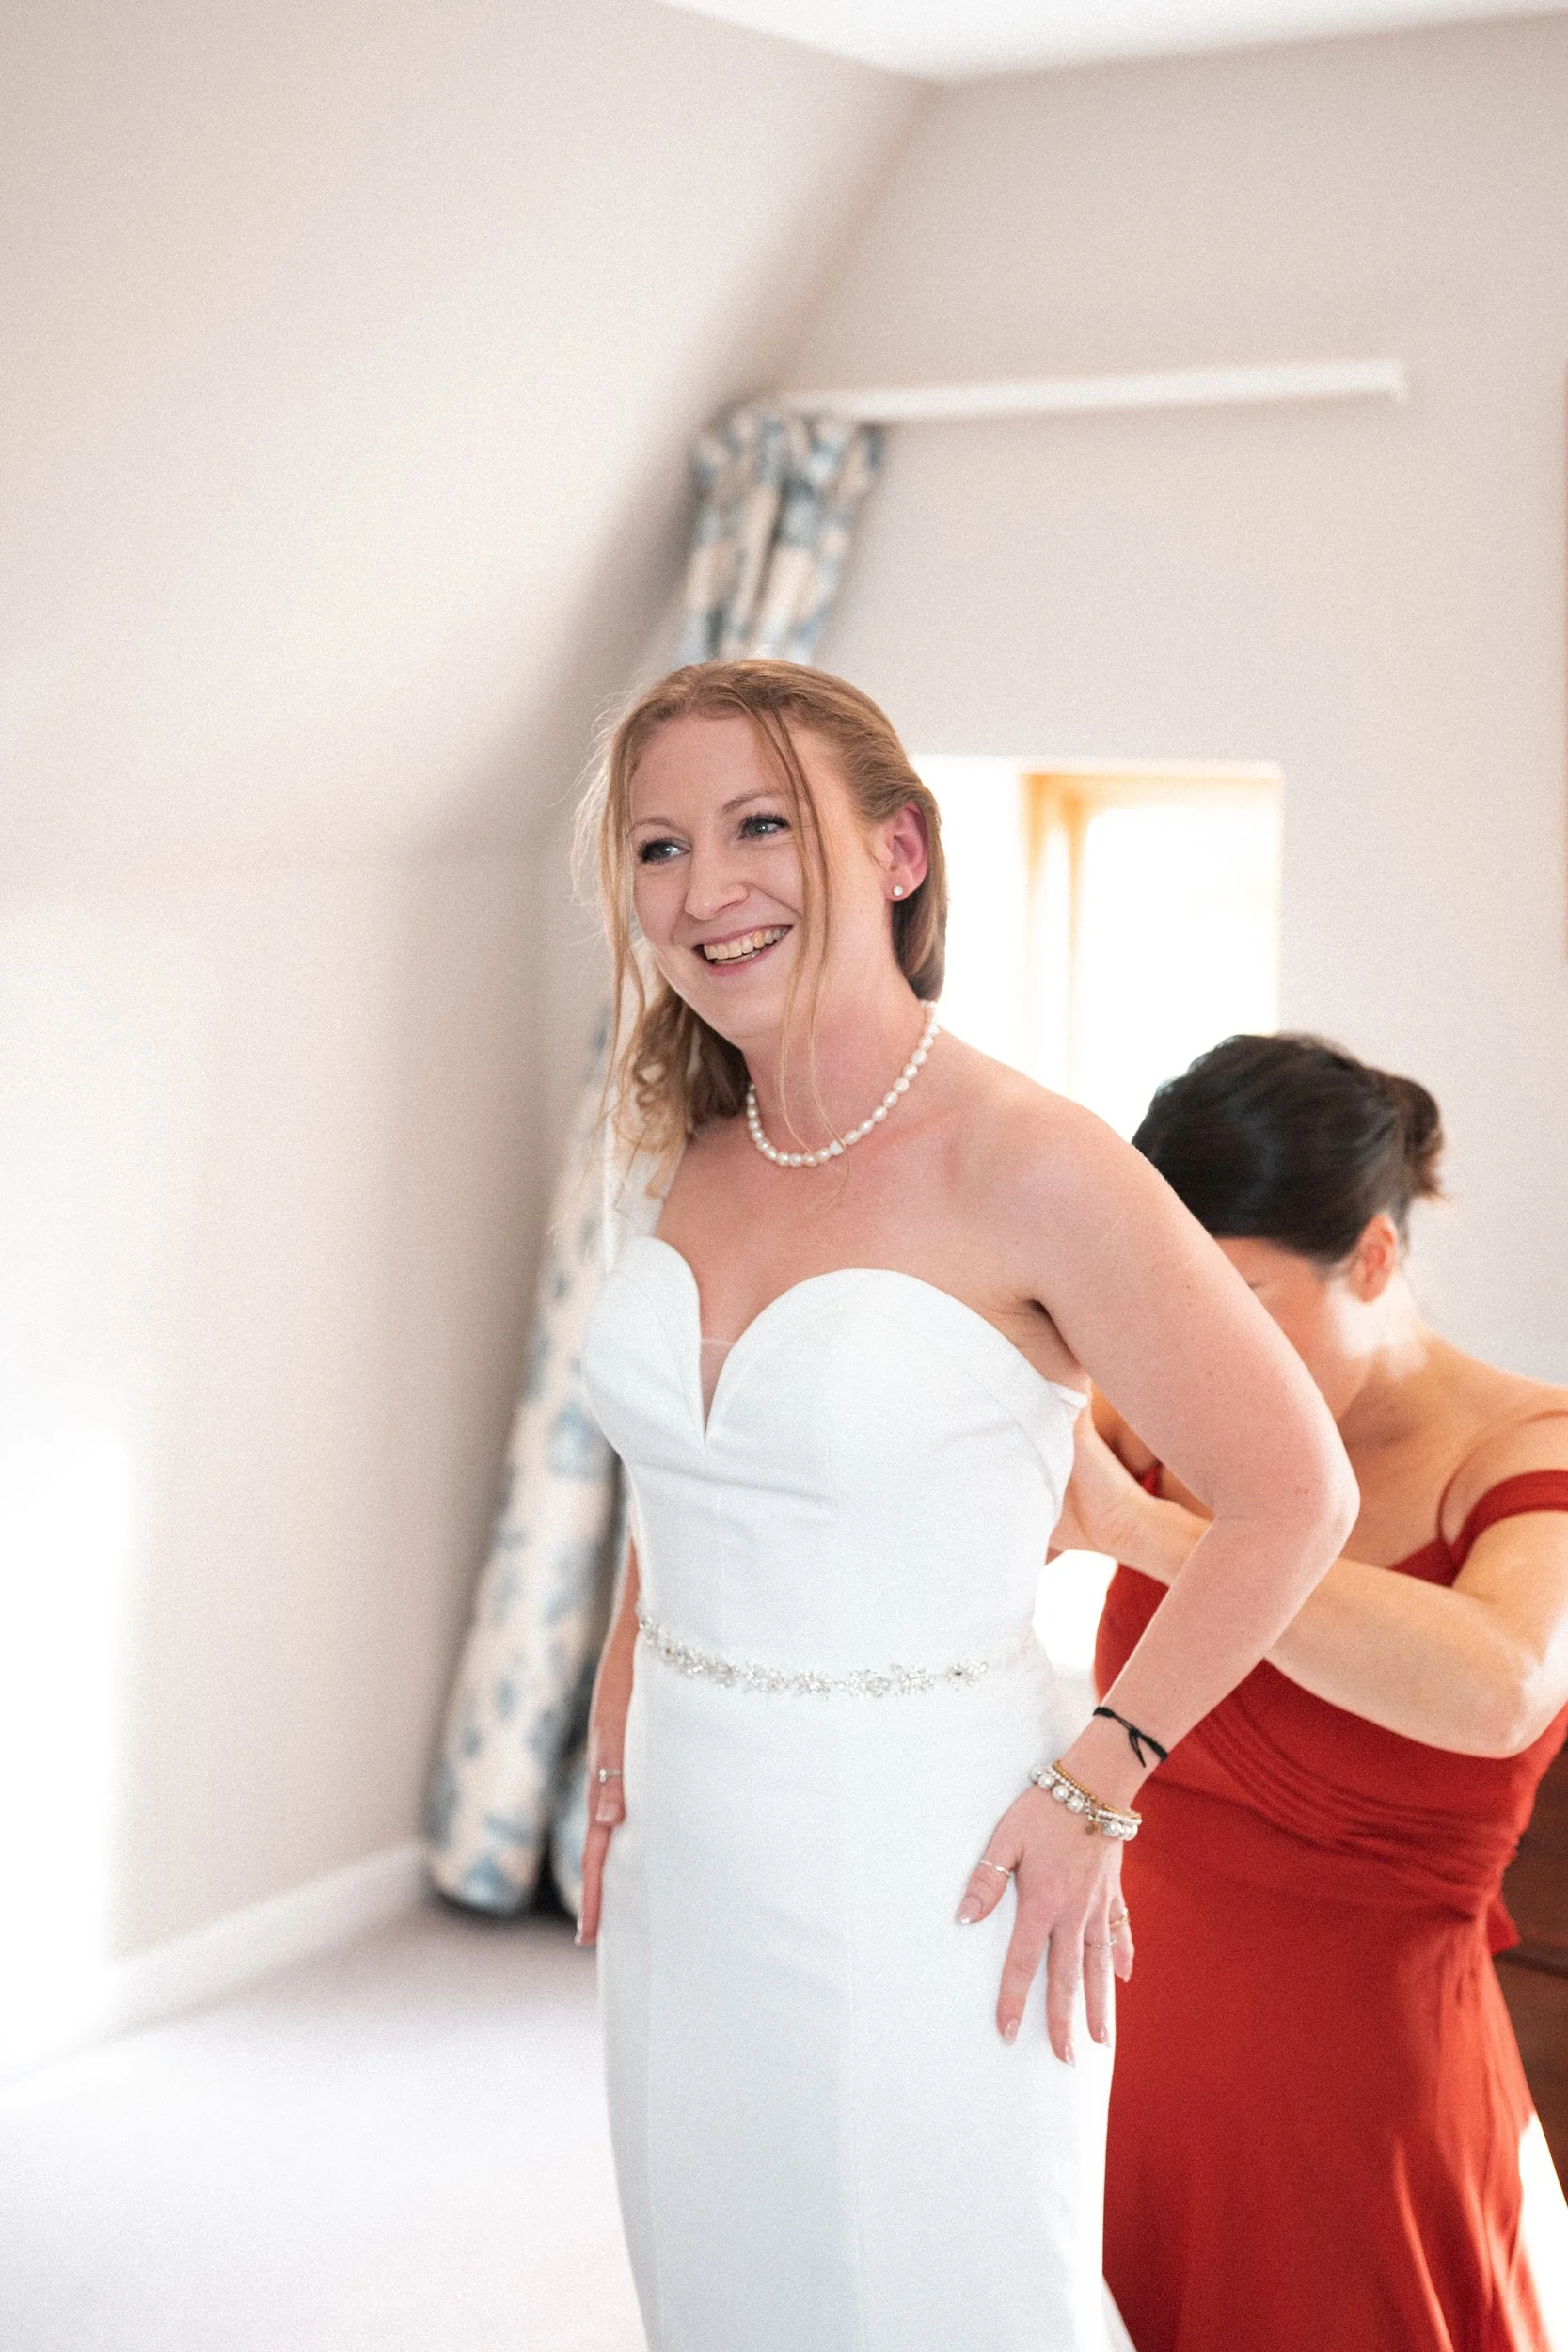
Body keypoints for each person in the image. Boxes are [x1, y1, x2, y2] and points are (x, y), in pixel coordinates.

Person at [572, 661, 1354, 2352]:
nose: (704, 893)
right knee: (716, 2290)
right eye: (656, 848)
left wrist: (1103, 1781)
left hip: (930, 1855)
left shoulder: (1034, 1162)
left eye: (759, 826)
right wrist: (621, 1704)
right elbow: (689, 1470)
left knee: (943, 2291)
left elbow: (1293, 1494)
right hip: (687, 1849)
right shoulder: (690, 1139)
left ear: (901, 850)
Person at [1059, 1033, 1568, 2352]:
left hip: (1359, 2106)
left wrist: (1166, 1537)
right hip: (1125, 2051)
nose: (1196, 1345)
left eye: (1239, 1294)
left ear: (1376, 1262)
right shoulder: (1167, 1402)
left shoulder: (1526, 1452)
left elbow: (1501, 1687)